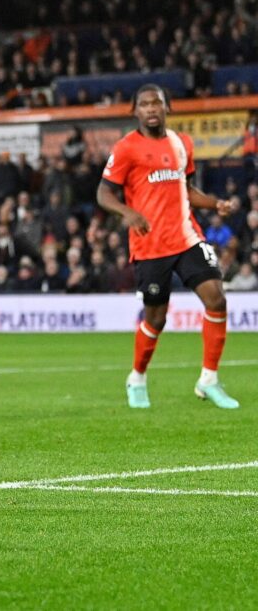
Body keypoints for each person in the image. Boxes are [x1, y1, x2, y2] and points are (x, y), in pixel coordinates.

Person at [96, 84, 239, 410]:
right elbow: (103, 194)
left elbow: (185, 188)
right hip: (149, 244)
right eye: (144, 104)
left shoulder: (181, 143)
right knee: (156, 318)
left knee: (216, 299)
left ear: (167, 107)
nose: (151, 109)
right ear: (135, 111)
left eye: (156, 103)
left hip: (187, 237)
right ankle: (137, 377)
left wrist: (214, 203)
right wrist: (127, 212)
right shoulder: (126, 148)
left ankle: (209, 380)